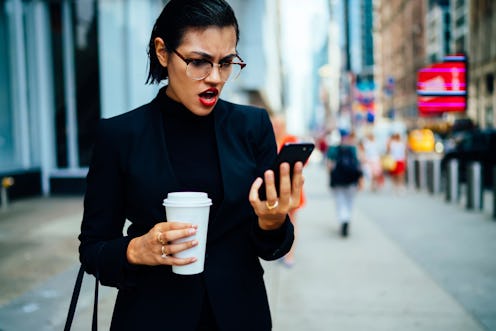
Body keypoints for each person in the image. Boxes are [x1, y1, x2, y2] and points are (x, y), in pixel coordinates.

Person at [77, 1, 305, 330]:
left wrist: (272, 222)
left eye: (226, 63)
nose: (214, 77)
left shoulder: (252, 126)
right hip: (151, 316)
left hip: (241, 315)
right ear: (162, 52)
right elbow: (93, 250)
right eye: (199, 62)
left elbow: (270, 248)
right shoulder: (119, 136)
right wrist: (137, 249)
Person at [270, 114, 307, 267]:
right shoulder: (268, 140)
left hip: (291, 188)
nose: (276, 128)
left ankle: (289, 255)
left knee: (291, 222)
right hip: (273, 189)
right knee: (277, 223)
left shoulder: (291, 139)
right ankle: (281, 251)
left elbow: (302, 162)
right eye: (274, 125)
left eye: (278, 125)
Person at [326, 130, 362, 237]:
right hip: (351, 180)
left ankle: (343, 219)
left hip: (338, 180)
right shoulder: (353, 148)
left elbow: (329, 165)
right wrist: (360, 179)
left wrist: (331, 178)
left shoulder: (333, 149)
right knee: (350, 201)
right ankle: (347, 218)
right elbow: (358, 165)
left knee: (340, 201)